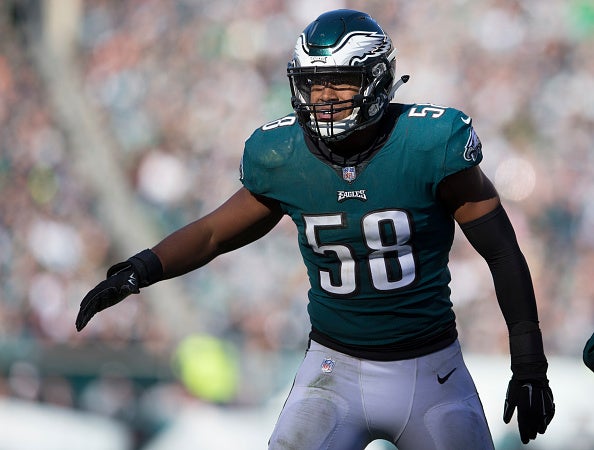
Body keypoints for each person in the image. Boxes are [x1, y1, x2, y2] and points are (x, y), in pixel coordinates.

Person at [76, 9, 555, 449]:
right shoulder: (282, 155)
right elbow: (213, 234)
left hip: (431, 369)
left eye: (340, 82)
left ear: (377, 78)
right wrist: (141, 268)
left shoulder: (430, 143)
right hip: (334, 368)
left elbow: (502, 252)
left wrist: (529, 361)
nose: (324, 98)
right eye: (313, 84)